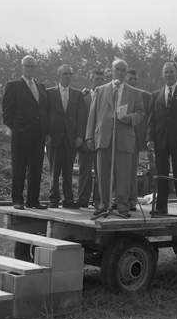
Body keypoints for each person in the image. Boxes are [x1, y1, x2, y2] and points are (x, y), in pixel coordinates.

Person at [86, 58, 144, 218]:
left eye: (122, 70)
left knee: (123, 175)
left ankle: (122, 206)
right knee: (103, 174)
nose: (119, 72)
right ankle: (103, 205)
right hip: (103, 137)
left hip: (124, 138)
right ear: (111, 71)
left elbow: (140, 113)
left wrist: (130, 118)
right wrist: (89, 137)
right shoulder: (100, 90)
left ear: (126, 72)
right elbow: (93, 115)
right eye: (116, 69)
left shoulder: (135, 92)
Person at [147, 62, 177, 217]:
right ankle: (161, 207)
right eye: (165, 72)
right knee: (161, 174)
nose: (168, 74)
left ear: (176, 73)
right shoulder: (156, 95)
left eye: (171, 72)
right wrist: (150, 138)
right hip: (161, 140)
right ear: (162, 74)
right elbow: (152, 119)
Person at [2, 55, 49, 210]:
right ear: (22, 67)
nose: (30, 69)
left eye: (32, 66)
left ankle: (33, 200)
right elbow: (7, 113)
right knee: (19, 167)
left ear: (36, 68)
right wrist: (18, 128)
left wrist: (46, 131)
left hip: (39, 134)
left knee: (36, 168)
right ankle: (17, 200)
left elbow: (44, 110)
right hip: (21, 133)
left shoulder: (41, 86)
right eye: (27, 66)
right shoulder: (13, 85)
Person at [45, 65, 86, 209]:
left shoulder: (77, 94)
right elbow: (45, 115)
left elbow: (81, 117)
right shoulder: (49, 93)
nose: (67, 76)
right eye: (64, 74)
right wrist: (47, 133)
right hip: (54, 138)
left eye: (70, 73)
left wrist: (80, 135)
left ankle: (68, 199)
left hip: (71, 137)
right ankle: (54, 199)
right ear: (58, 75)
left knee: (68, 171)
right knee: (54, 171)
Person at [125, 69, 152, 212]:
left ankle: (131, 201)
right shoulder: (118, 93)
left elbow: (151, 119)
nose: (133, 81)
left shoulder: (146, 96)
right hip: (120, 138)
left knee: (132, 171)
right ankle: (118, 199)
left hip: (136, 139)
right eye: (130, 79)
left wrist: (148, 138)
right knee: (119, 171)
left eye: (135, 79)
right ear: (125, 79)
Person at [77, 70, 104, 208]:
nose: (99, 81)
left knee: (101, 172)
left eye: (102, 79)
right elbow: (80, 119)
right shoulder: (83, 96)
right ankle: (83, 200)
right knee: (84, 172)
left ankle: (99, 201)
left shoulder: (107, 96)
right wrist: (81, 137)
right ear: (91, 80)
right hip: (85, 141)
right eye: (97, 79)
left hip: (101, 141)